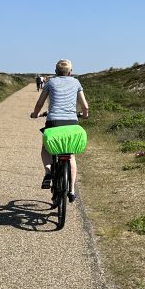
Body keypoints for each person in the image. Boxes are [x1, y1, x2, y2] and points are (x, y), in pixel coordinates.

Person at [30, 59, 89, 202]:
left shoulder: (50, 82)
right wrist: (85, 115)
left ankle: (49, 171)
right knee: (70, 156)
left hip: (54, 122)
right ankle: (72, 190)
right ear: (70, 72)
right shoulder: (76, 82)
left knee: (45, 148)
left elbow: (40, 103)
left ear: (56, 71)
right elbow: (85, 106)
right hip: (71, 122)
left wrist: (35, 114)